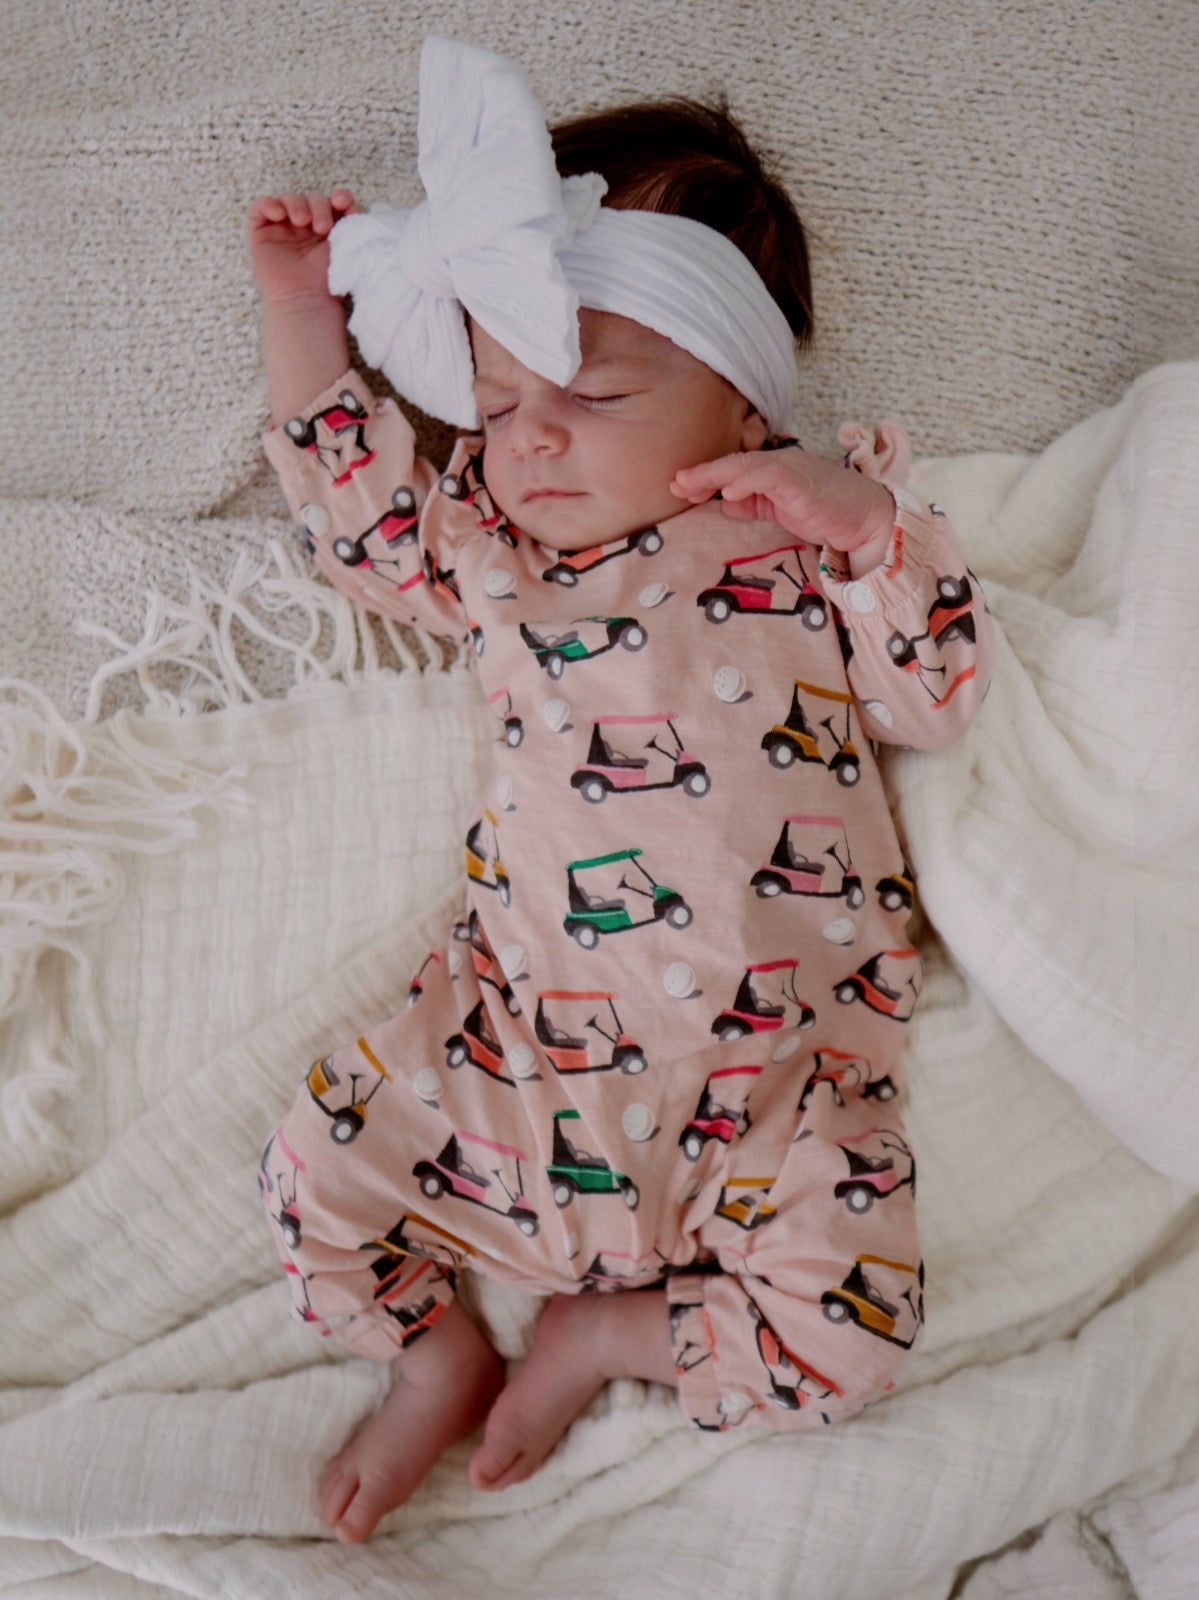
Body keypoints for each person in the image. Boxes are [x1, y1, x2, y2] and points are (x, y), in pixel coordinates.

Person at [249, 35, 993, 1545]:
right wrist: (299, 320)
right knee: (311, 1169)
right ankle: (433, 1347)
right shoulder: (490, 553)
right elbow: (359, 525)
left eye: (587, 390)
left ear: (741, 399)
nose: (527, 438)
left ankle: (612, 1339)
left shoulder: (812, 539)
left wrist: (866, 534)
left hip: (784, 1105)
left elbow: (941, 686)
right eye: (499, 398)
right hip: (523, 1059)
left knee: (855, 1338)